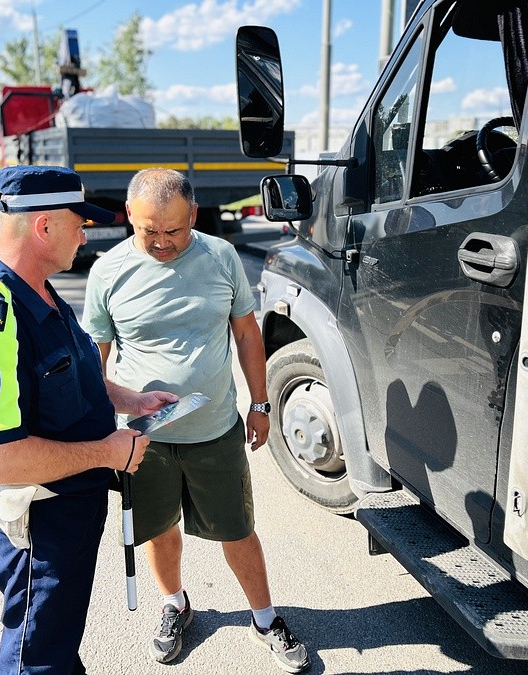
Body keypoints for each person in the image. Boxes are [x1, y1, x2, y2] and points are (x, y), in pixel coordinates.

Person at [0, 165, 178, 674]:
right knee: (36, 657)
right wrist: (108, 452)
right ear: (45, 227)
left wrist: (130, 401)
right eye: (80, 222)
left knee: (58, 643)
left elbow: (72, 373)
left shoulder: (39, 290)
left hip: (70, 512)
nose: (86, 232)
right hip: (40, 527)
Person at [82, 168, 310, 673]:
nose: (162, 243)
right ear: (129, 217)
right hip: (145, 440)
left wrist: (260, 403)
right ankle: (175, 604)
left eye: (174, 230)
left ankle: (266, 618)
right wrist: (102, 434)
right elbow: (92, 358)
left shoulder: (220, 257)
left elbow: (249, 335)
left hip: (215, 431)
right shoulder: (108, 271)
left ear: (194, 217)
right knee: (161, 531)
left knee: (237, 530)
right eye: (148, 231)